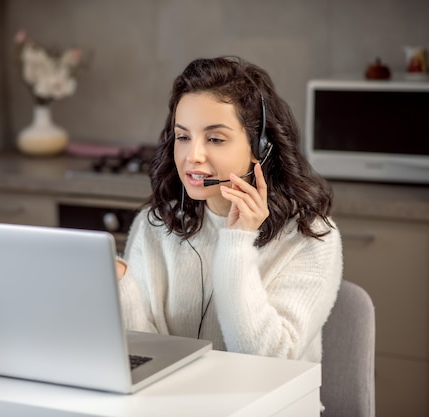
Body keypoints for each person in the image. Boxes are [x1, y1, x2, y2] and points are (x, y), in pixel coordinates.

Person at [117, 56, 342, 363]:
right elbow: (144, 353)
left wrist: (237, 244)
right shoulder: (156, 225)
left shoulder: (310, 235)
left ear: (260, 148)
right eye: (183, 136)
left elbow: (271, 360)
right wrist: (120, 285)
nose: (192, 156)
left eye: (215, 138)